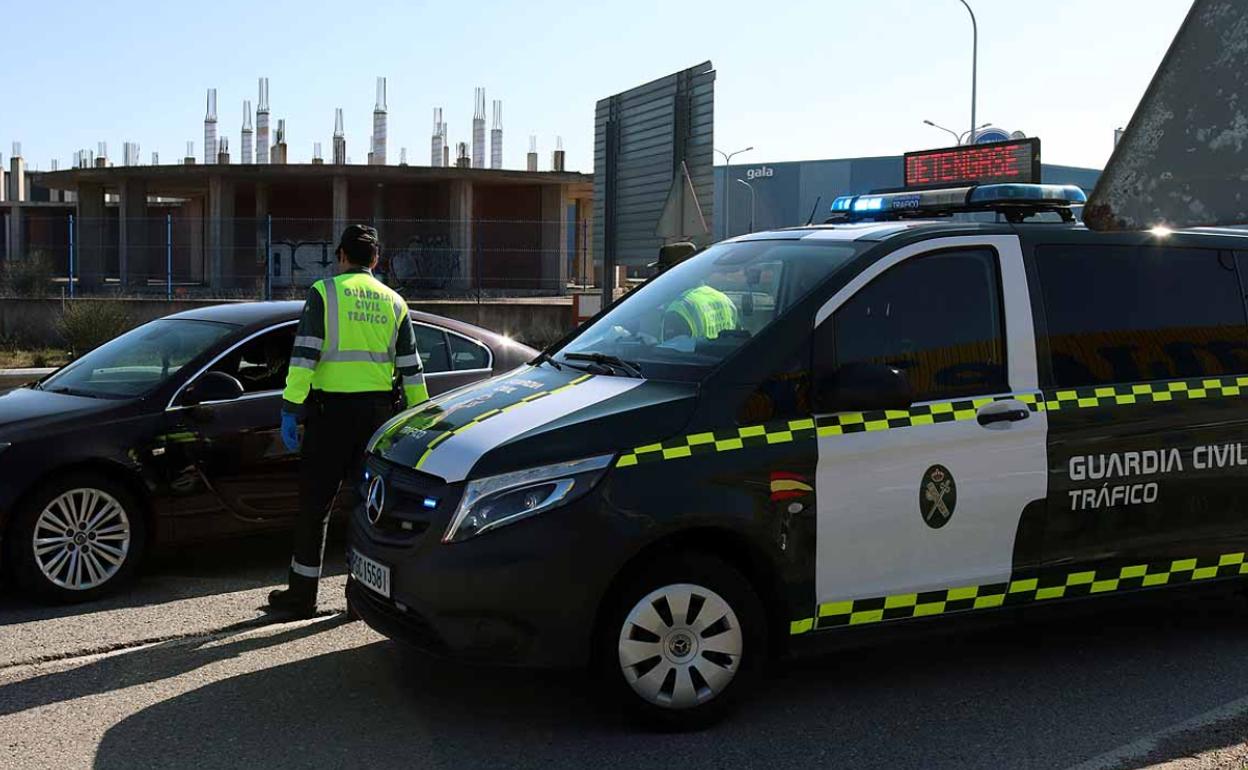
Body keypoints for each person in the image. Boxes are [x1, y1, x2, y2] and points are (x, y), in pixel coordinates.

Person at [267, 224, 429, 616]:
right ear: (375, 260)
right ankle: (362, 599)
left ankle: (302, 596)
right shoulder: (394, 302)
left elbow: (305, 356)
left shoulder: (325, 293)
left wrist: (291, 408)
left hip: (330, 416)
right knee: (367, 509)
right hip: (378, 419)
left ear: (341, 255)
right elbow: (411, 367)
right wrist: (420, 418)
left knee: (315, 506)